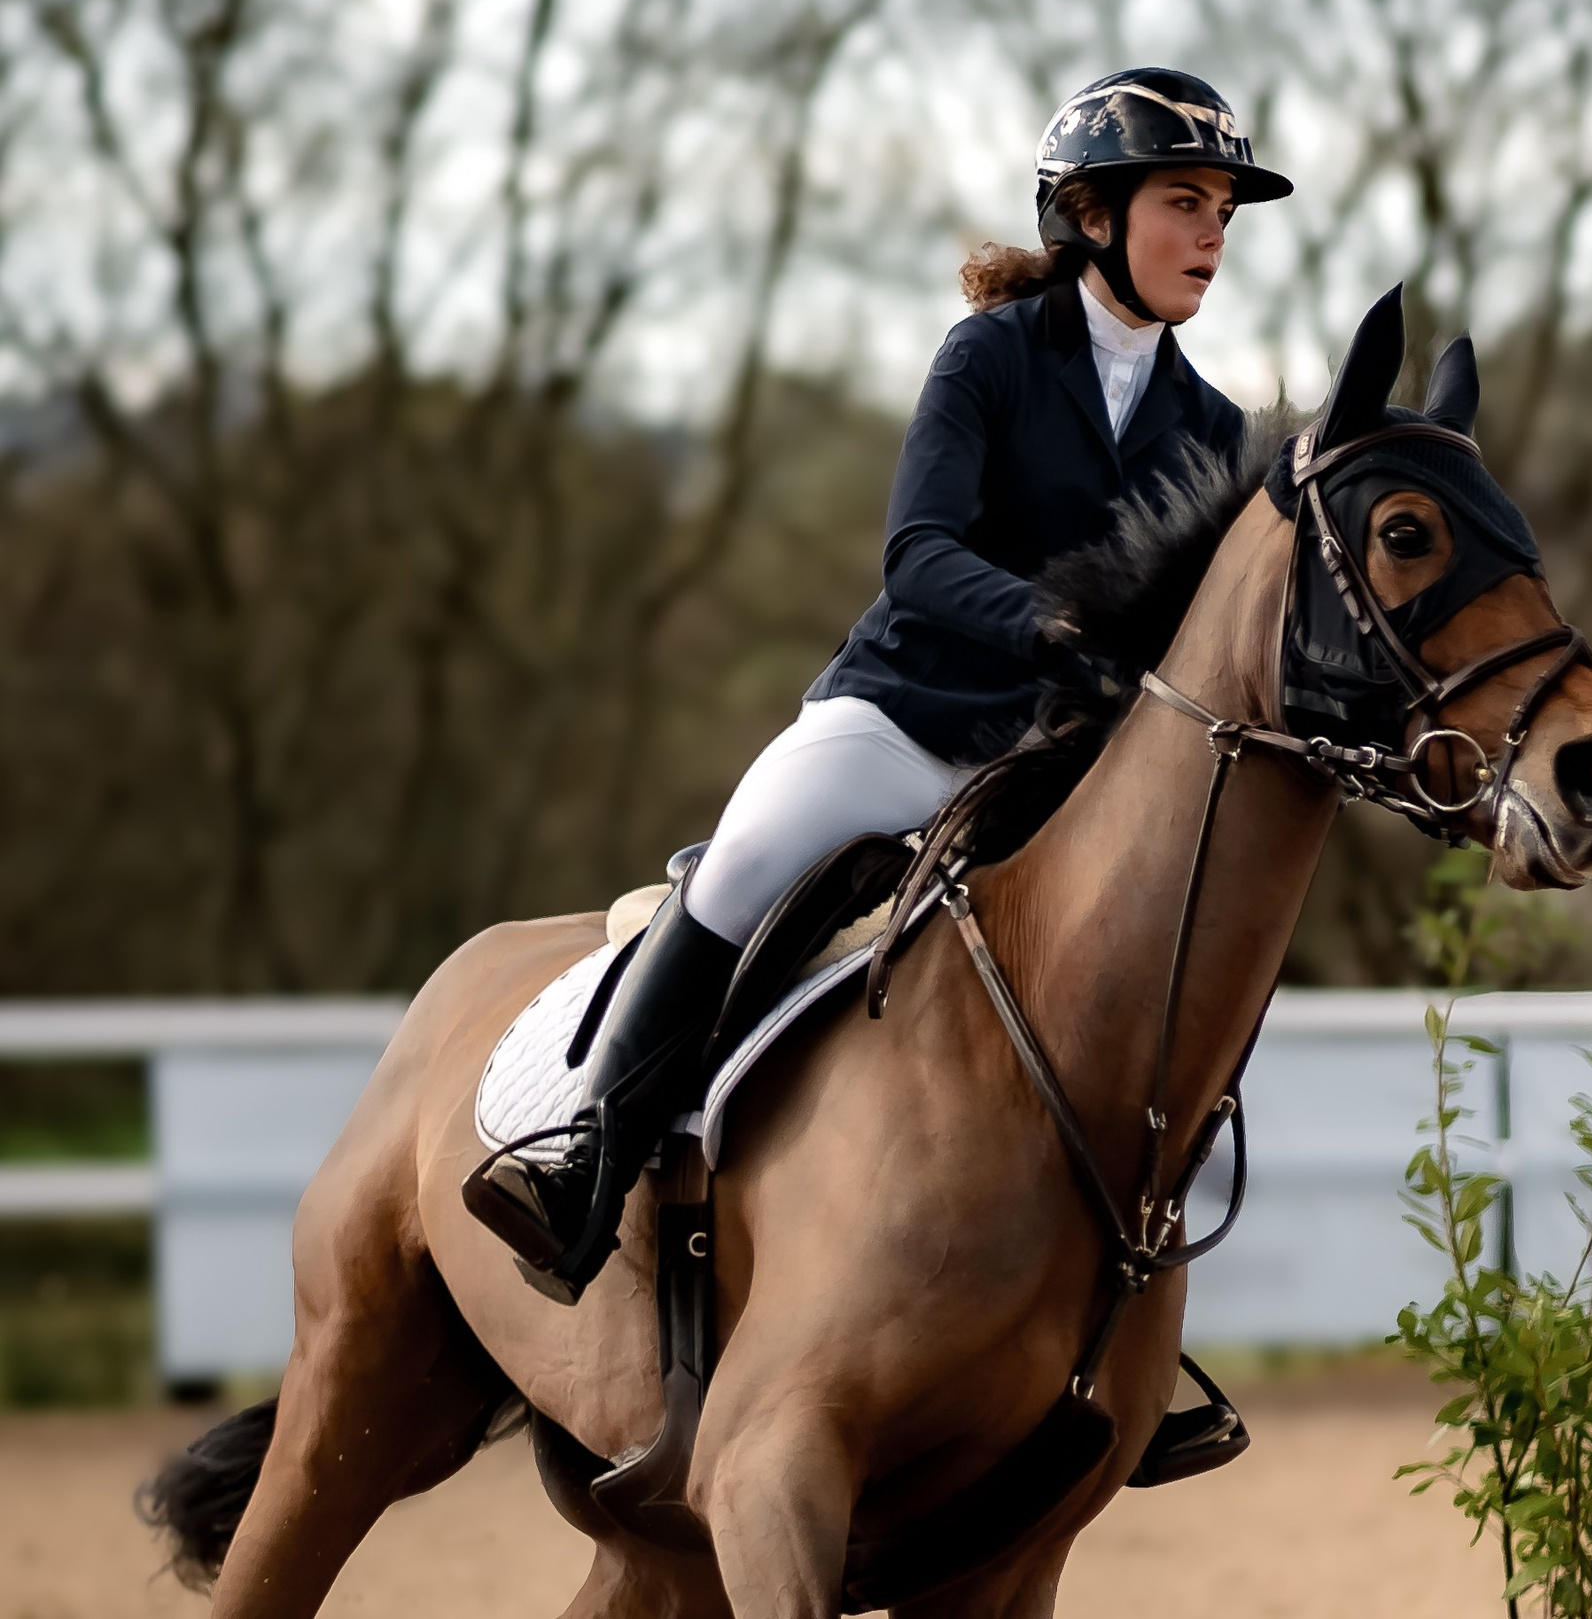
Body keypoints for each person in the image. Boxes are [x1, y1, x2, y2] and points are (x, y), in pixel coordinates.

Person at [465, 69, 1292, 1303]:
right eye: (1186, 202)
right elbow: (918, 554)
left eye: (1223, 210)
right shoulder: (990, 358)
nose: (1213, 234)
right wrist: (1044, 619)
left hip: (1057, 765)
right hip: (906, 721)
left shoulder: (1213, 427)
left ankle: (1111, 1283)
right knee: (746, 861)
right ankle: (586, 1156)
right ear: (1092, 215)